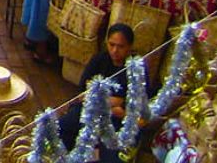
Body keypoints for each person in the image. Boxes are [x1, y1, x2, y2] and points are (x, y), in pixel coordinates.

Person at [58, 24, 151, 162]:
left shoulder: (136, 69)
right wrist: (114, 102)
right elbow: (84, 91)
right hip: (92, 111)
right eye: (111, 44)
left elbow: (136, 103)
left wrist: (114, 104)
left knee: (113, 154)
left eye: (121, 46)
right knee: (62, 127)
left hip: (118, 121)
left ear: (129, 47)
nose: (114, 50)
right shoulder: (99, 60)